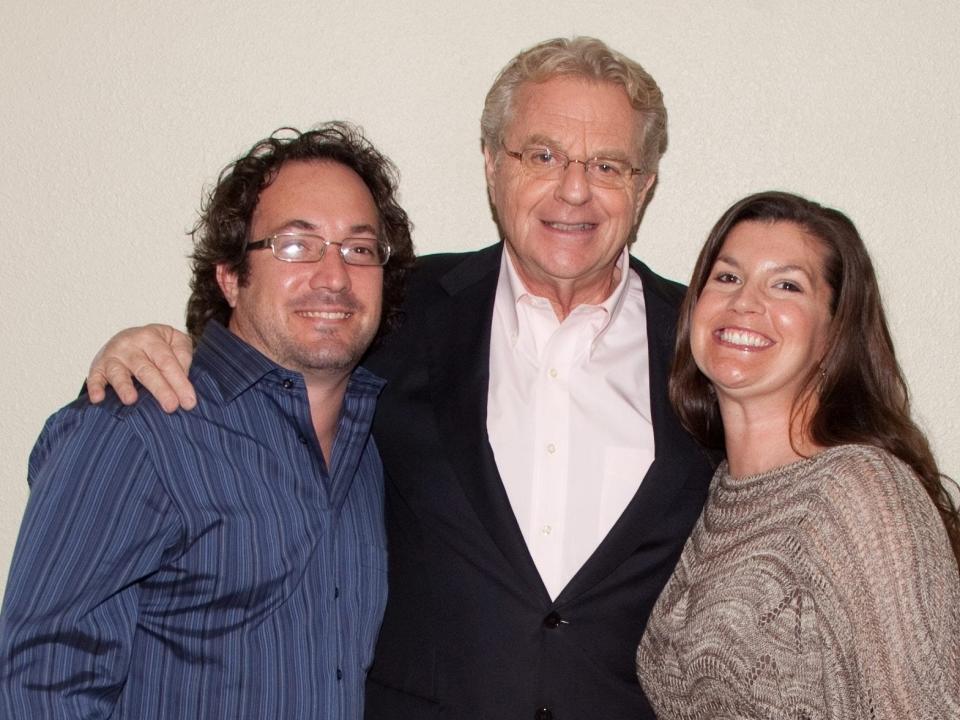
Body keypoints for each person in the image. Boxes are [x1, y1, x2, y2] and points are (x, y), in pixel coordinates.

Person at [80, 38, 714, 719]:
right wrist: (158, 347)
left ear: (644, 187)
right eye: (542, 155)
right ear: (491, 166)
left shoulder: (708, 346)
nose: (575, 188)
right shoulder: (392, 309)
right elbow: (272, 348)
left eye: (609, 164)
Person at [0, 122, 415, 719]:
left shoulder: (374, 450)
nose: (333, 276)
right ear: (229, 276)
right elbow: (41, 687)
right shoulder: (139, 426)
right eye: (295, 245)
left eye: (359, 248)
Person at [637, 191, 960, 718]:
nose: (745, 302)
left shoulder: (859, 491)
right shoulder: (718, 496)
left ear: (833, 335)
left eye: (786, 285)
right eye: (726, 277)